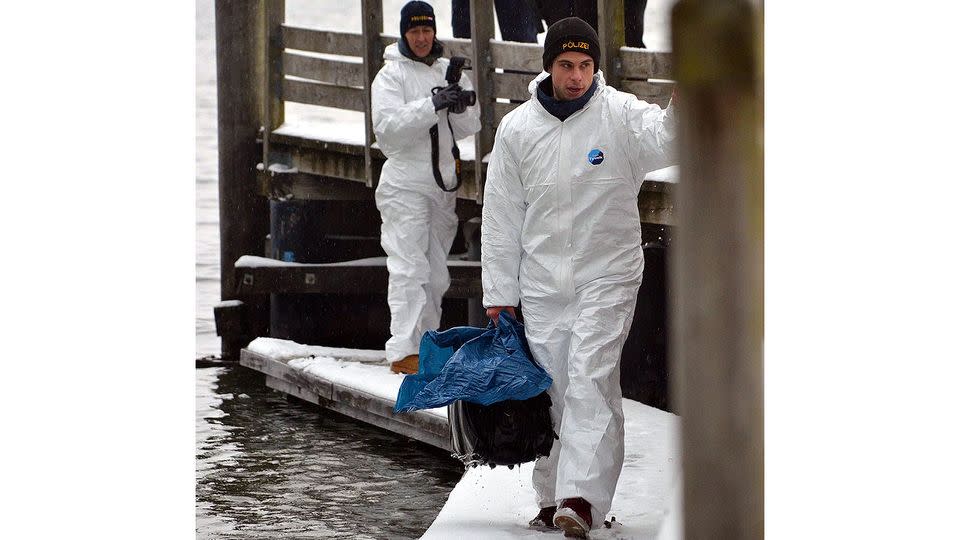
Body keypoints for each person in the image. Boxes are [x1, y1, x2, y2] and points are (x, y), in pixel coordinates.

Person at [480, 16, 677, 537]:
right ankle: (551, 499)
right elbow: (500, 216)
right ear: (548, 67)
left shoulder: (620, 117)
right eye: (566, 65)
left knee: (589, 378)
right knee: (554, 388)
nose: (576, 76)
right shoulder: (518, 129)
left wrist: (691, 99)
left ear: (596, 68)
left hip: (607, 274)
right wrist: (499, 293)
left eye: (586, 65)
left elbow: (668, 139)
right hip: (542, 283)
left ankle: (581, 501)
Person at [371, 1, 481, 374]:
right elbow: (387, 132)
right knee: (408, 269)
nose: (421, 38)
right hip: (405, 186)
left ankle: (427, 346)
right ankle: (402, 349)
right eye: (414, 31)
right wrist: (431, 104)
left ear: (434, 31)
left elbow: (471, 127)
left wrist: (461, 102)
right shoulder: (390, 76)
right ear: (404, 33)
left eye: (427, 30)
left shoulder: (447, 71)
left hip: (441, 187)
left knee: (437, 274)